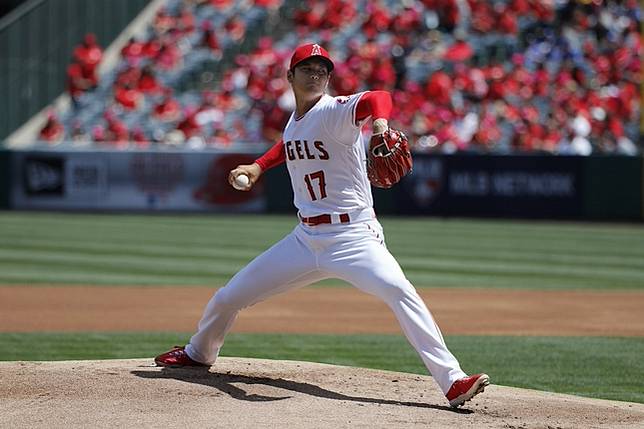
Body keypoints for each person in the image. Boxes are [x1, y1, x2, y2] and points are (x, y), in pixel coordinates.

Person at [155, 43, 489, 408]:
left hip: (353, 237)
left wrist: (379, 124)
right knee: (228, 297)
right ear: (290, 76)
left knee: (399, 290)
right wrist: (257, 166)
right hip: (304, 240)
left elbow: (377, 97)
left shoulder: (334, 110)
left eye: (322, 70)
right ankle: (199, 352)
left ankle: (452, 380)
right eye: (307, 68)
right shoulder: (296, 120)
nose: (316, 74)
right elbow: (289, 144)